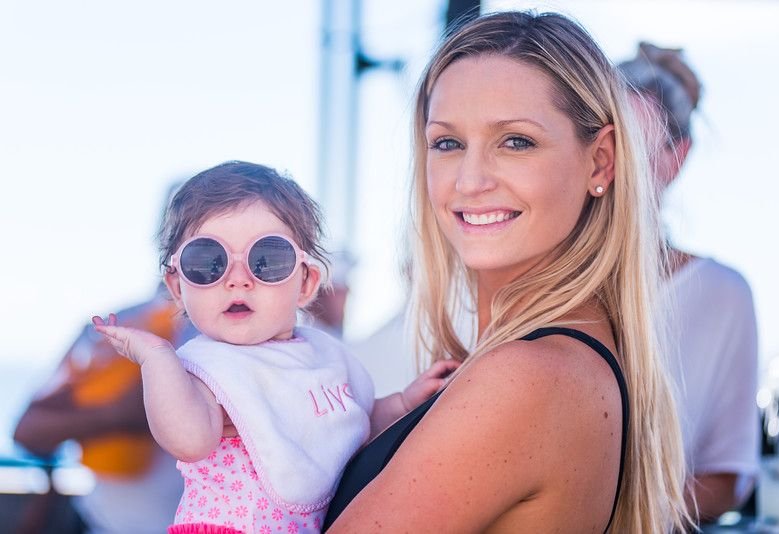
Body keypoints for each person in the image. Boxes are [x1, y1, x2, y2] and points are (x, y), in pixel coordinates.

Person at [323, 11, 692, 533]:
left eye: (515, 141)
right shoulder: (556, 358)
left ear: (600, 162)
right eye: (447, 143)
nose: (470, 181)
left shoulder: (528, 376)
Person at [91, 161, 457, 534]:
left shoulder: (320, 356)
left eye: (267, 261)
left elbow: (349, 422)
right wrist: (157, 359)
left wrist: (406, 403)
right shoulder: (207, 367)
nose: (238, 280)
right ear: (176, 286)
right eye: (207, 262)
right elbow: (189, 440)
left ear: (305, 283)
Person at [619, 43, 760, 522]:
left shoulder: (721, 296)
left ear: (676, 159)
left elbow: (730, 474)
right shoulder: (526, 282)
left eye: (631, 145)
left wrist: (615, 518)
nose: (607, 165)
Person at [13, 284, 192, 534]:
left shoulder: (222, 330)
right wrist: (118, 413)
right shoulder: (106, 329)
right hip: (103, 525)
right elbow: (28, 430)